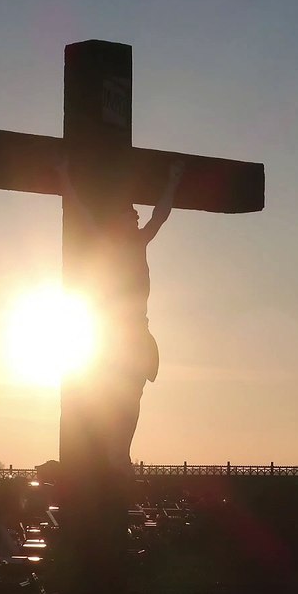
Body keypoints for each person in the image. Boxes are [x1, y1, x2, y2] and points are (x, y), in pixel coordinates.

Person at [55, 155, 186, 456]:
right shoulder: (108, 245)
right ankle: (105, 451)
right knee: (106, 395)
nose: (136, 217)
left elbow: (161, 214)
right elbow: (81, 212)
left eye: (136, 215)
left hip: (137, 332)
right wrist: (64, 178)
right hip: (111, 336)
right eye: (130, 214)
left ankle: (120, 452)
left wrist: (174, 181)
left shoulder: (138, 242)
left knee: (131, 397)